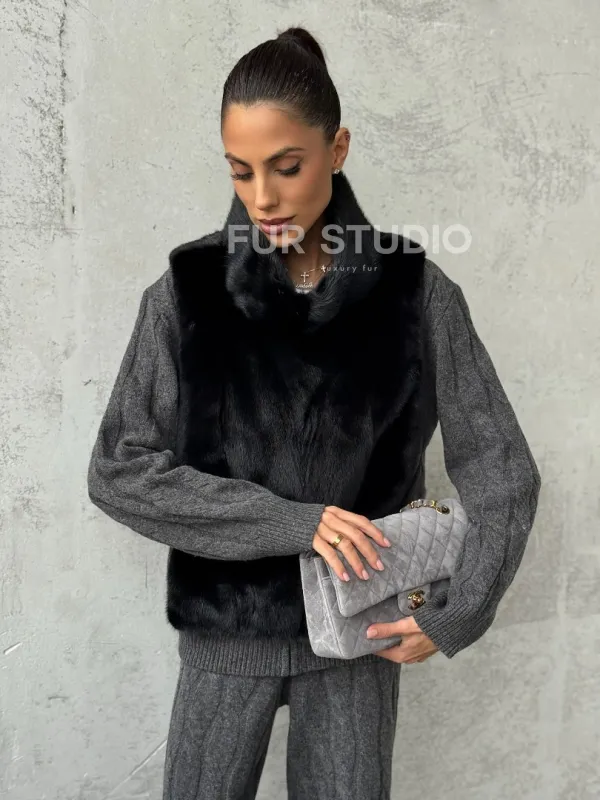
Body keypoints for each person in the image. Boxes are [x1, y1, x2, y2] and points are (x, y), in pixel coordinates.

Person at [87, 26, 542, 800]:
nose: (262, 196)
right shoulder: (187, 292)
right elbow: (119, 473)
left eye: (286, 165)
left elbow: (502, 468)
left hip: (362, 636)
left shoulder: (416, 292)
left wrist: (458, 611)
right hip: (226, 637)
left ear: (337, 150)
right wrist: (294, 523)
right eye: (241, 170)